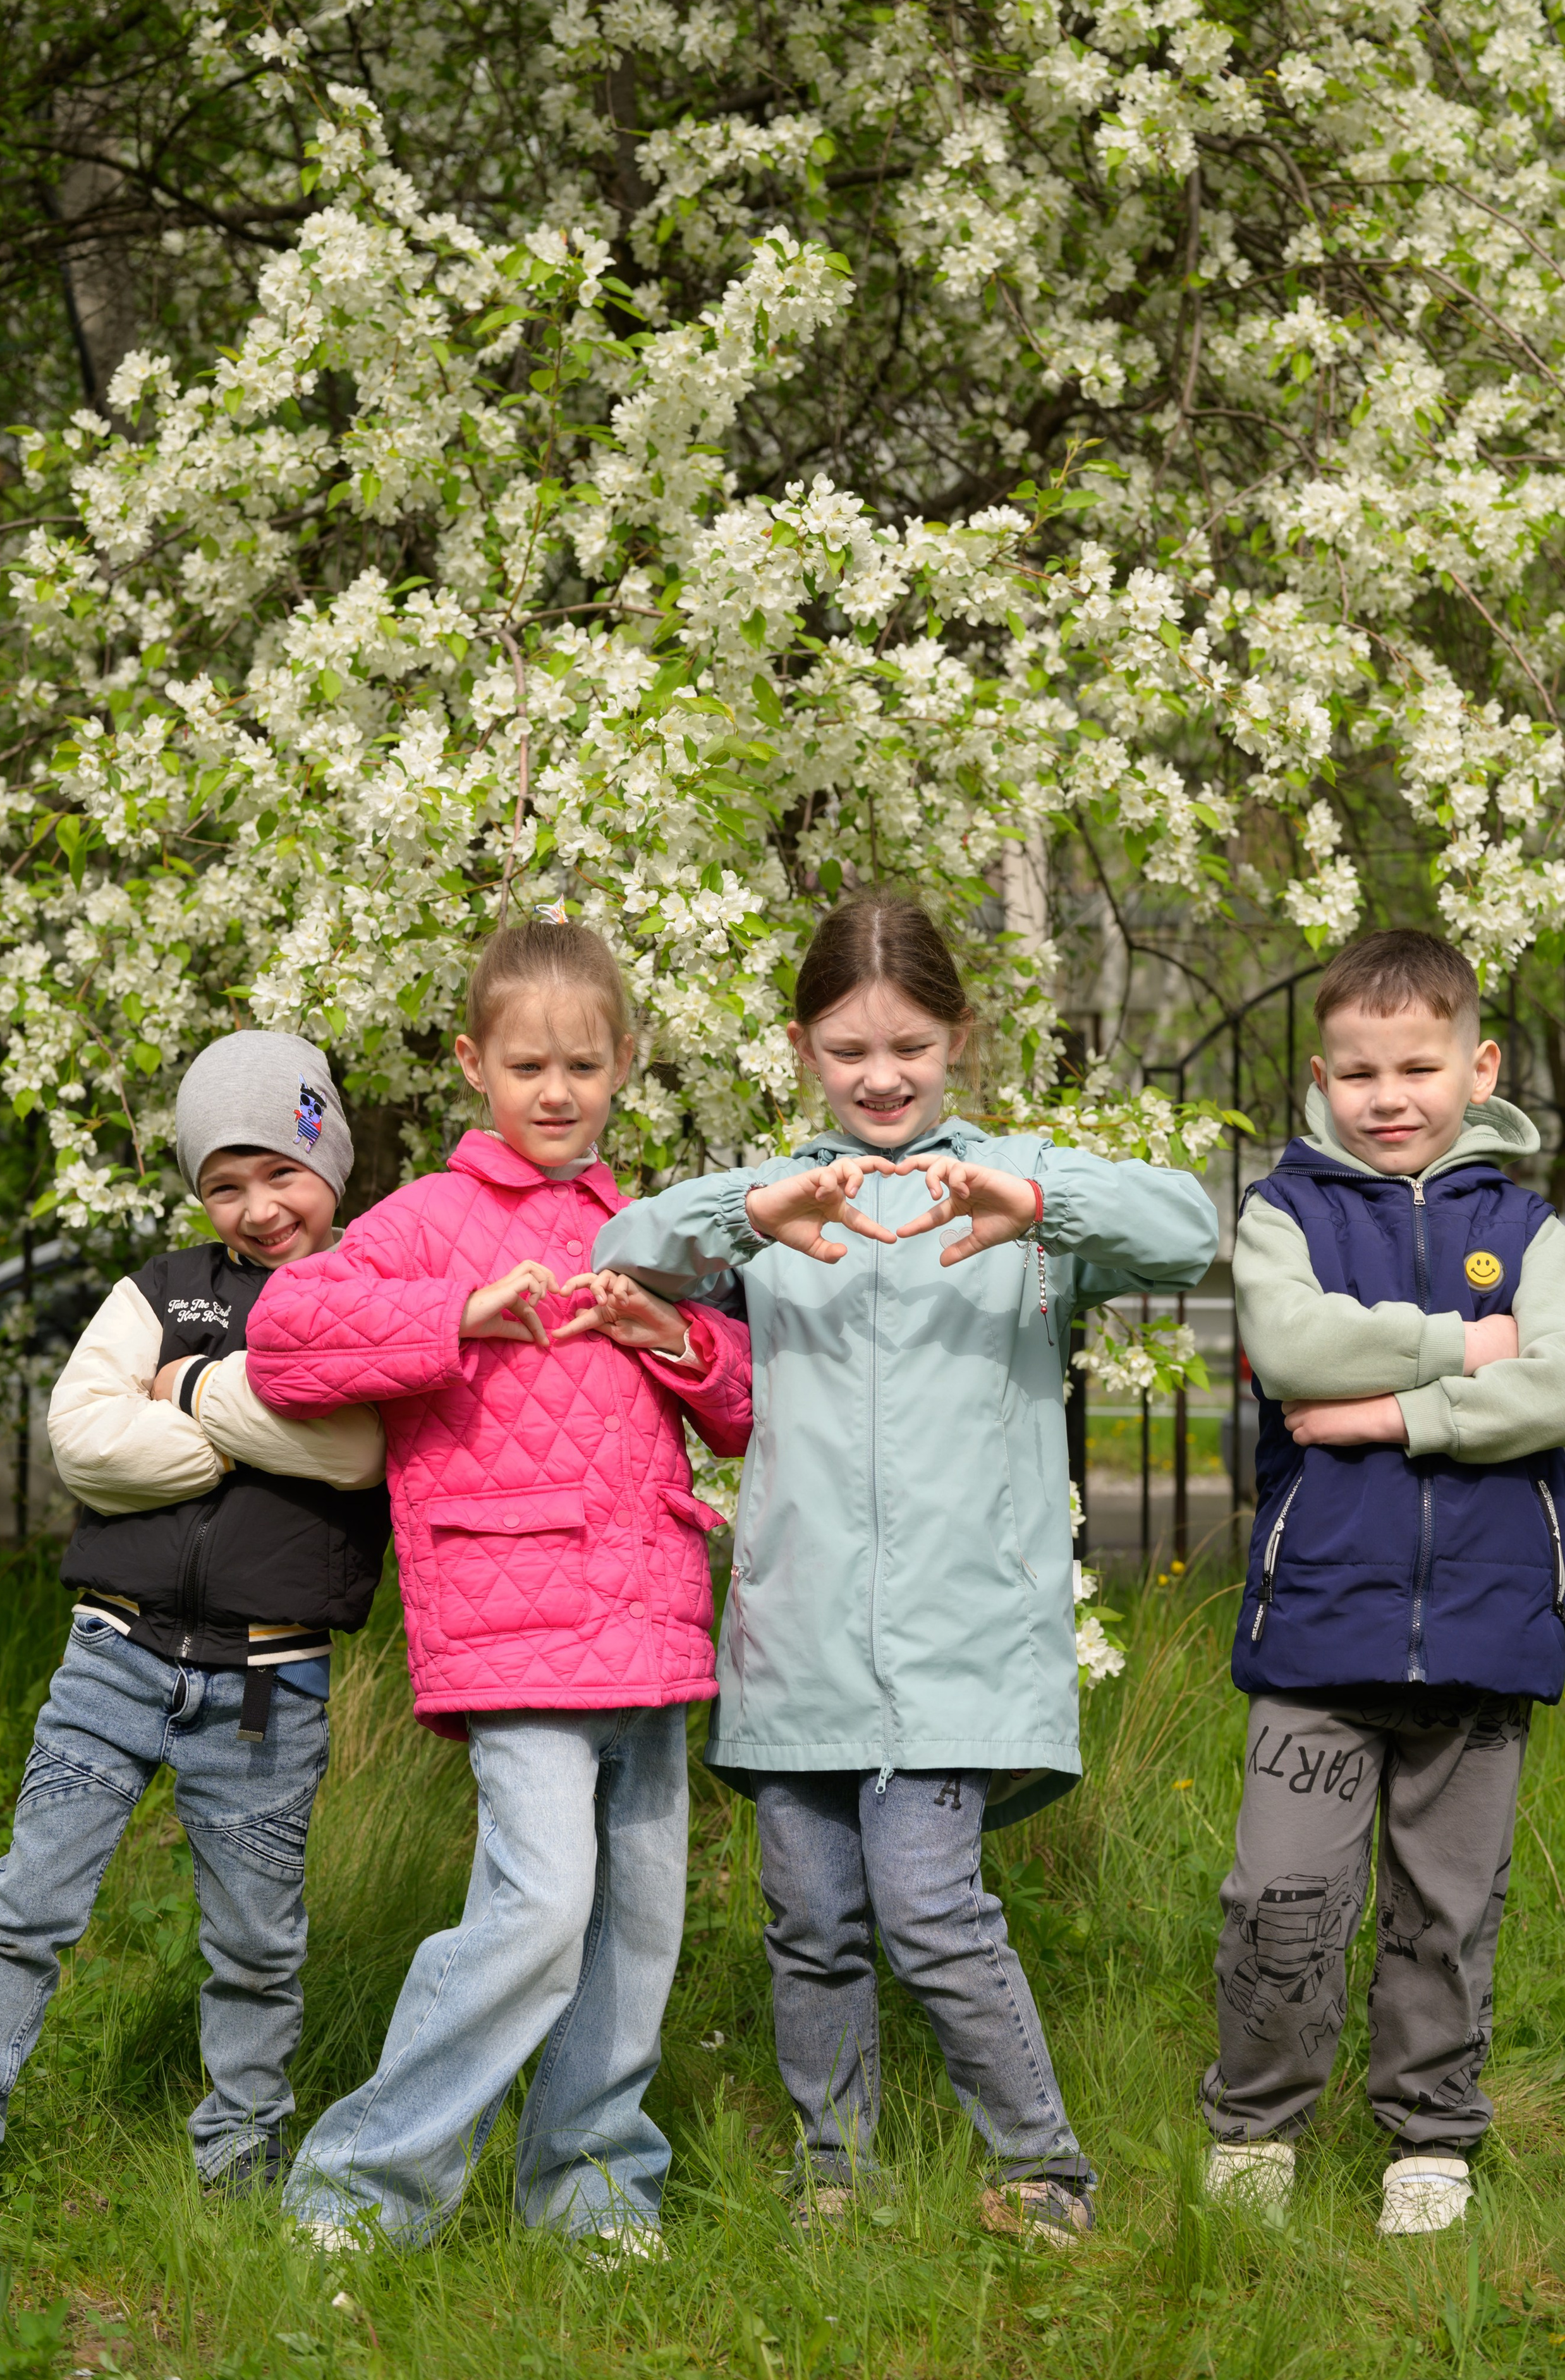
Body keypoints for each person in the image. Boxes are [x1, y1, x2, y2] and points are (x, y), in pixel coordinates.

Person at [590, 892, 1219, 2242]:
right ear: (803, 1048)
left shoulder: (1015, 1193)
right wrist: (754, 1208)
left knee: (931, 1906)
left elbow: (1186, 1229)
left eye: (911, 1046)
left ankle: (1044, 2169)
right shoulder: (775, 1209)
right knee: (810, 1920)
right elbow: (618, 1250)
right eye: (846, 1047)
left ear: (959, 1039)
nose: (880, 1075)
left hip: (960, 1639)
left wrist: (1038, 1198)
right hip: (796, 1635)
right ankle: (838, 2173)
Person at [245, 916, 752, 2257]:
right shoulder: (426, 1220)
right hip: (512, 1618)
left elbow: (751, 1409)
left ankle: (589, 2192)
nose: (555, 1090)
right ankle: (358, 2185)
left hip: (646, 1614)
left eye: (582, 1064)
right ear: (475, 1063)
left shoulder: (650, 1229)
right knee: (537, 1911)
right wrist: (454, 1313)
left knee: (636, 1928)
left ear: (624, 1062)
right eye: (527, 1063)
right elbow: (285, 1338)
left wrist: (682, 1338)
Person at [0, 1032, 391, 2195]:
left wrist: (187, 1391)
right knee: (28, 1901)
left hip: (266, 1681)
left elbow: (353, 1449)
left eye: (280, 1173)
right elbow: (84, 1440)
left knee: (254, 1939)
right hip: (113, 1651)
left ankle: (240, 2154)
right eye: (224, 1184)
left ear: (328, 1162)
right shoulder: (158, 1290)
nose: (257, 1208)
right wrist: (248, 1446)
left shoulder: (370, 1298)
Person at [1200, 928, 1565, 2239]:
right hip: (1317, 1633)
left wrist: (1382, 1417)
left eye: (1417, 1065)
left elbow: (1557, 1386)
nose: (1389, 1095)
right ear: (1318, 1076)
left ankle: (1429, 2130)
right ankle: (1254, 2121)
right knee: (1280, 1897)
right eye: (1359, 1071)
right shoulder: (1283, 1213)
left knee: (1445, 1907)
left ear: (1479, 1067)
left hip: (1482, 1633)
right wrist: (1459, 1347)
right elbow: (1289, 1341)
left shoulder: (1529, 1229)